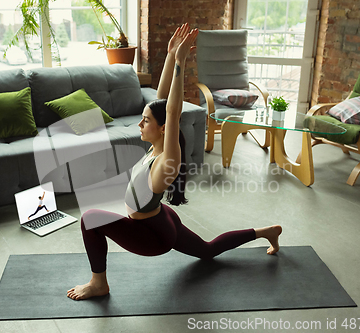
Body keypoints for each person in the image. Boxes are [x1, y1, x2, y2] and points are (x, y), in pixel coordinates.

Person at [67, 23, 282, 301]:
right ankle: (266, 231)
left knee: (89, 220)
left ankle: (99, 284)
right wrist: (170, 56)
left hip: (151, 236)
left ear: (163, 128)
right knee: (206, 250)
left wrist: (182, 62)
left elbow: (172, 109)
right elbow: (163, 101)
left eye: (146, 121)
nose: (140, 124)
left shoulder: (166, 163)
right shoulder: (156, 147)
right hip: (164, 220)